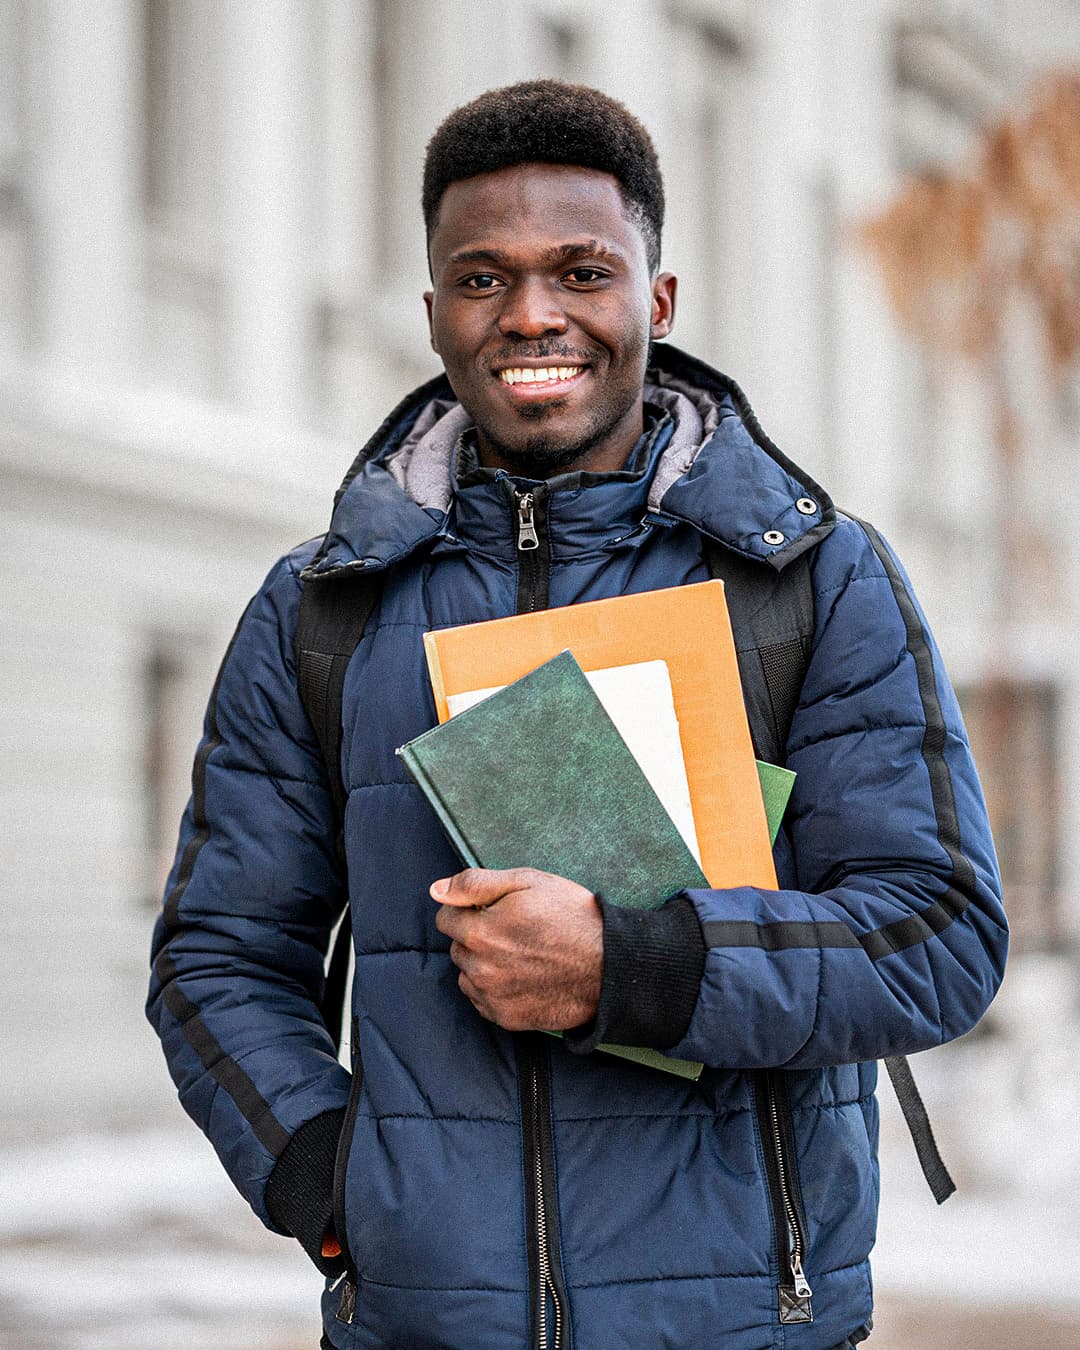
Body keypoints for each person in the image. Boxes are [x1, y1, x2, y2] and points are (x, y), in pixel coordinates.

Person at [147, 81, 1007, 1350]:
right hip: (425, 1325)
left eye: (582, 271)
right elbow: (219, 955)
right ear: (433, 312)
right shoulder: (320, 609)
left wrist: (631, 964)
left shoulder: (812, 580)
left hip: (750, 1326)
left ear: (657, 301)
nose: (532, 314)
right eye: (481, 278)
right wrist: (325, 1179)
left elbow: (938, 933)